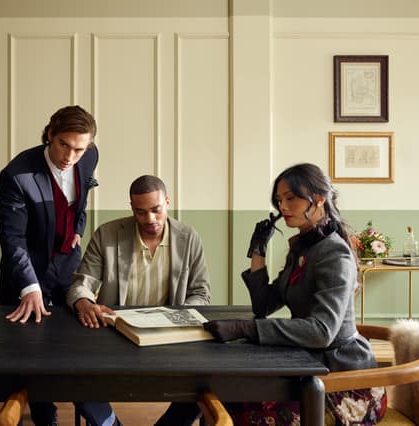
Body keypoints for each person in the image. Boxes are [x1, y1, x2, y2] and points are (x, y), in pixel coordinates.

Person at [203, 163, 386, 425]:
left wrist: (247, 329)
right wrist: (258, 249)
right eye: (279, 200)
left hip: (343, 384)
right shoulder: (304, 249)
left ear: (320, 199)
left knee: (236, 404)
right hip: (308, 367)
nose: (283, 208)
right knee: (222, 390)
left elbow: (321, 332)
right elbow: (263, 305)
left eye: (291, 198)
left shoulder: (334, 253)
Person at [67, 174, 211, 426]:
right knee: (72, 379)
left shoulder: (189, 237)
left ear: (167, 201)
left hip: (170, 337)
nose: (150, 219)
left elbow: (200, 292)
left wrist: (181, 317)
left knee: (206, 384)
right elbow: (82, 283)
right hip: (113, 334)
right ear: (132, 208)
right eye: (140, 212)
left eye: (156, 210)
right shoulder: (108, 234)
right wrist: (84, 303)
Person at [0, 105, 102, 426]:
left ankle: (93, 412)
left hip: (67, 265)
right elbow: (12, 238)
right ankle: (46, 416)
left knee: (77, 340)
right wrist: (29, 286)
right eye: (63, 145)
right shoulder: (17, 174)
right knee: (32, 351)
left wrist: (78, 229)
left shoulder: (90, 156)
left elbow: (80, 203)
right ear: (50, 136)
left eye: (79, 148)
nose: (70, 156)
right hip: (27, 271)